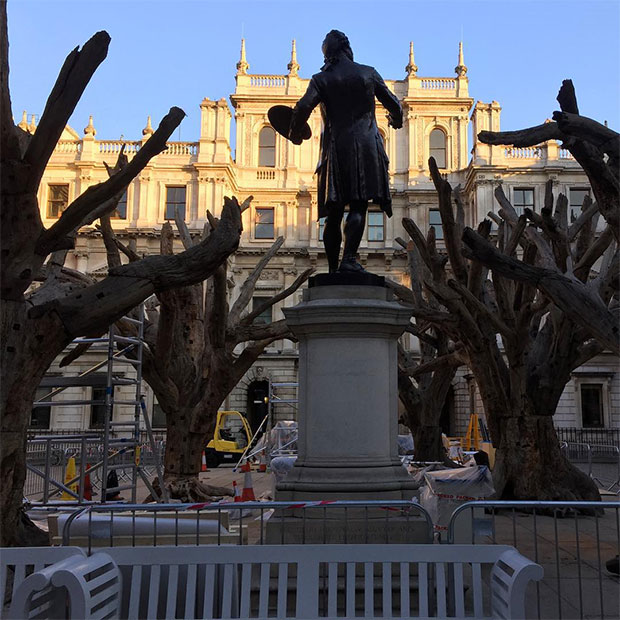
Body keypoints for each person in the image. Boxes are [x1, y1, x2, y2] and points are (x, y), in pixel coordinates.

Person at [289, 30, 403, 273]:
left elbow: (302, 108)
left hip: (336, 148)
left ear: (328, 54)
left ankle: (332, 269)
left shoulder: (321, 79)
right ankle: (349, 259)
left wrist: (296, 132)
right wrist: (395, 120)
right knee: (359, 205)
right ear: (347, 48)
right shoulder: (368, 73)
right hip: (366, 146)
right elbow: (395, 105)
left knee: (334, 211)